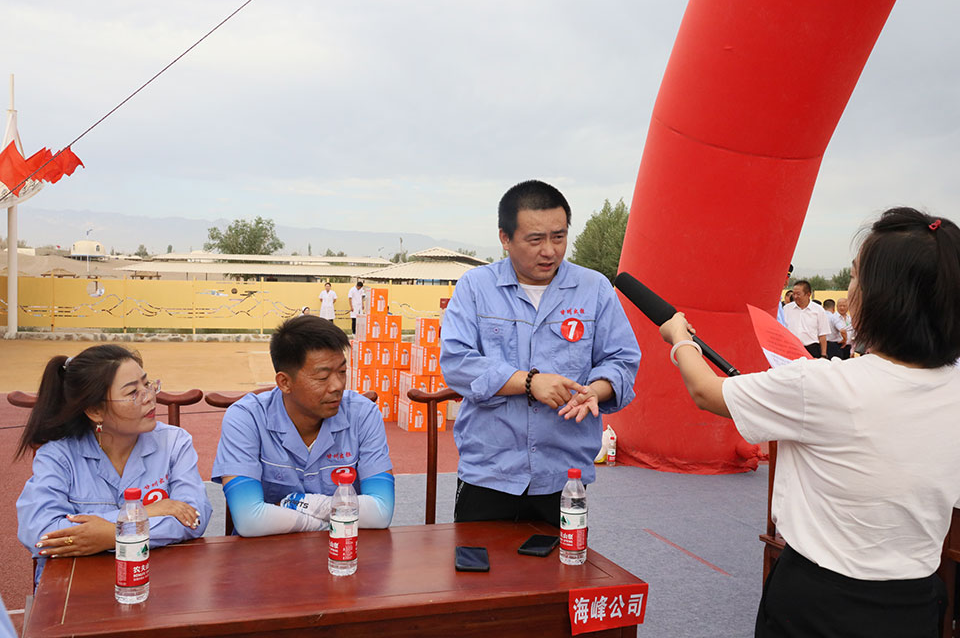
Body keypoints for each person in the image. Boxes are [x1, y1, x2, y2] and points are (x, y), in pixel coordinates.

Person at [659, 207, 960, 636]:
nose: (850, 289)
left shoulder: (824, 384)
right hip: (915, 605)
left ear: (883, 297)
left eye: (855, 276)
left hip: (819, 603)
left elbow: (706, 391)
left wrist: (679, 337)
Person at [440, 179, 641, 526]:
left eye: (559, 237)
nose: (549, 251)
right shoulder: (476, 287)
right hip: (489, 474)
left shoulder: (594, 289)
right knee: (479, 561)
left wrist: (596, 390)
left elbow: (621, 360)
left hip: (564, 475)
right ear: (505, 238)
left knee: (562, 560)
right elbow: (457, 363)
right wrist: (530, 382)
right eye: (535, 240)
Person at [16, 345, 212, 585]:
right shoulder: (59, 456)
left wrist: (111, 534)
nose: (150, 397)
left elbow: (194, 518)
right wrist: (147, 513)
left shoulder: (173, 442)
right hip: (76, 587)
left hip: (157, 579)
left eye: (147, 384)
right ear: (95, 411)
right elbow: (40, 534)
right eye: (133, 392)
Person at [212, 314, 394, 536]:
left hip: (342, 550)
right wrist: (327, 523)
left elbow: (381, 511)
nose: (337, 386)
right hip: (266, 553)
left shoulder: (363, 414)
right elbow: (250, 520)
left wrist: (298, 504)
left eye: (342, 372)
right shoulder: (246, 418)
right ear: (285, 382)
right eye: (322, 377)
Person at [781, 280, 830, 358]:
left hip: (811, 349)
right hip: (791, 349)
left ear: (808, 294)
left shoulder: (818, 310)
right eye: (794, 294)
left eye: (798, 294)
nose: (795, 297)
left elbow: (822, 335)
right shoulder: (786, 309)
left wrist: (823, 355)